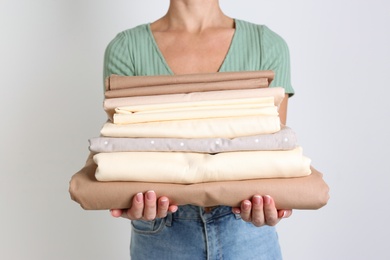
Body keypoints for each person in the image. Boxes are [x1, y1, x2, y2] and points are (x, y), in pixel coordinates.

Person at [104, 0, 294, 259]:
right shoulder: (127, 49)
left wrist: (273, 200)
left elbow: (272, 152)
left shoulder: (267, 45)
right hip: (162, 232)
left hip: (247, 231)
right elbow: (124, 152)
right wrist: (129, 196)